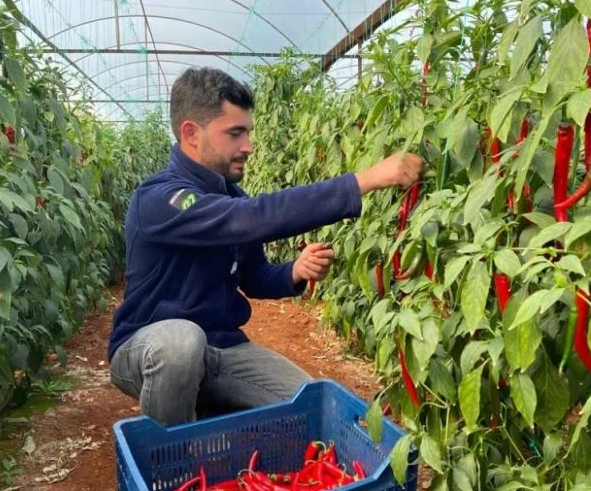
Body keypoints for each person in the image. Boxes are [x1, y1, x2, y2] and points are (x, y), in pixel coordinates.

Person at [107, 66, 423, 426]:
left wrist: (293, 271)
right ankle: (169, 464)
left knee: (315, 412)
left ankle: (208, 403)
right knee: (181, 343)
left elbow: (254, 276)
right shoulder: (163, 198)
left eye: (248, 132)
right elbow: (251, 216)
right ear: (191, 134)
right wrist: (366, 180)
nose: (248, 147)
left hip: (222, 351)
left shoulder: (231, 197)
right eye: (235, 133)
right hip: (149, 351)